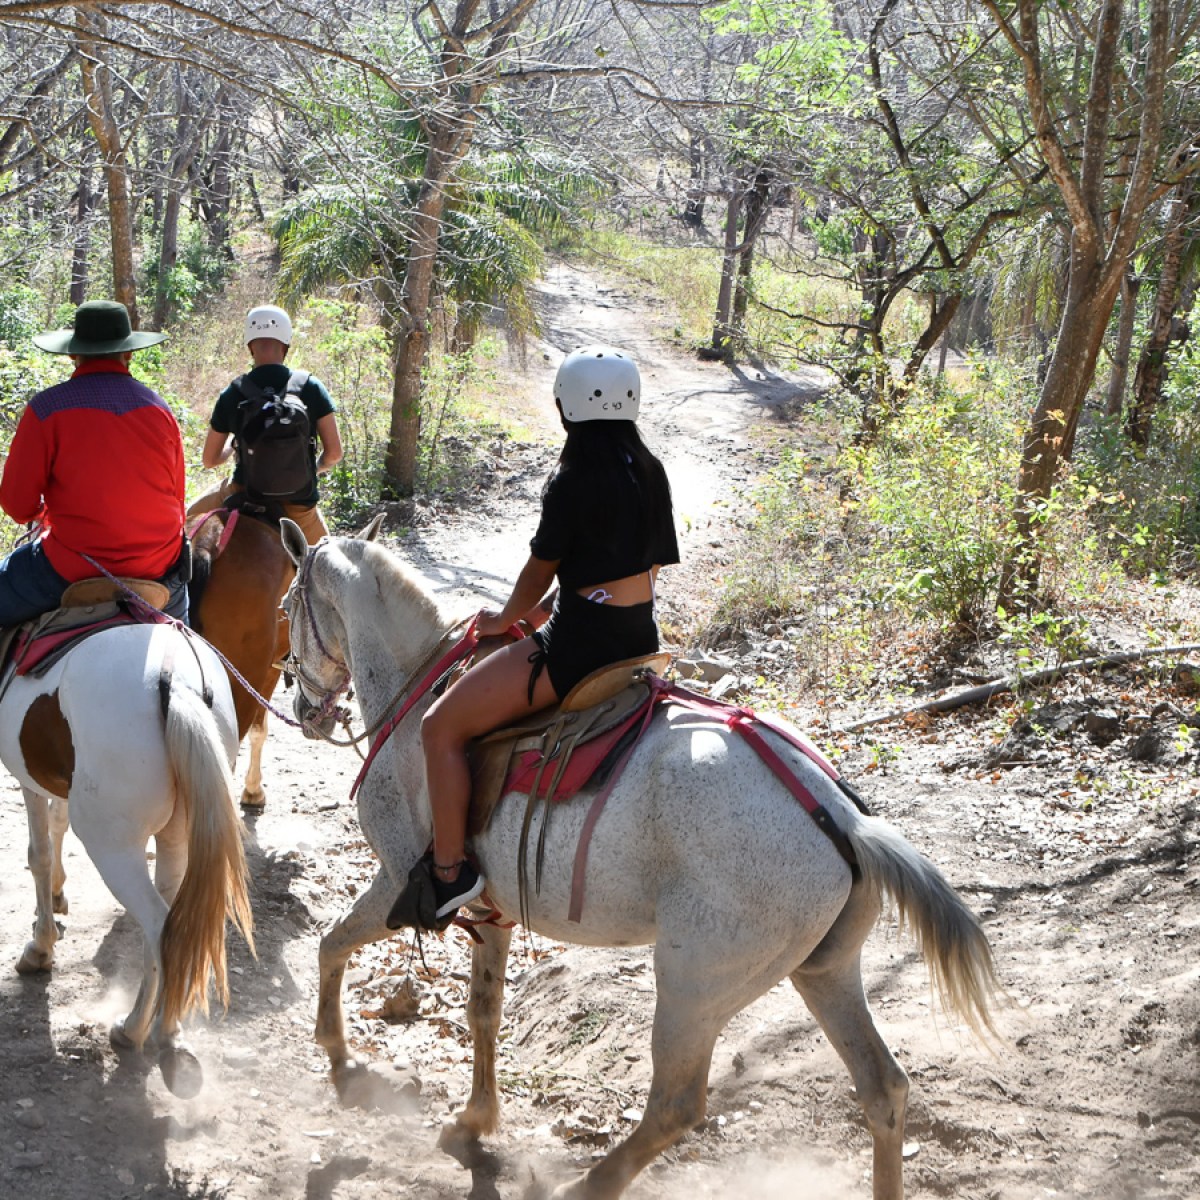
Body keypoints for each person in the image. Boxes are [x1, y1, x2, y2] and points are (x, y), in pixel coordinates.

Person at [389, 344, 679, 928]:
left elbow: (538, 571)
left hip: (577, 653)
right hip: (639, 640)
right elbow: (626, 573)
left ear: (566, 408)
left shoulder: (571, 480)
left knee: (439, 727)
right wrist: (549, 610)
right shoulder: (650, 471)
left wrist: (504, 619)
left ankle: (451, 873)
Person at [0, 300, 190, 626]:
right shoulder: (160, 410)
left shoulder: (46, 409)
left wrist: (42, 513)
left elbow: (16, 505)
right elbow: (177, 498)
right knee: (190, 642)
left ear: (74, 354)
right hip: (158, 567)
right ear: (128, 353)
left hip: (70, 567)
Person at [188, 304, 342, 544]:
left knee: (186, 520)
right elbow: (334, 454)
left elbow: (210, 460)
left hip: (244, 492)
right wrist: (311, 468)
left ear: (250, 346)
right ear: (286, 344)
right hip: (299, 506)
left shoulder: (233, 393)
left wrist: (232, 447)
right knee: (326, 564)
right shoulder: (311, 387)